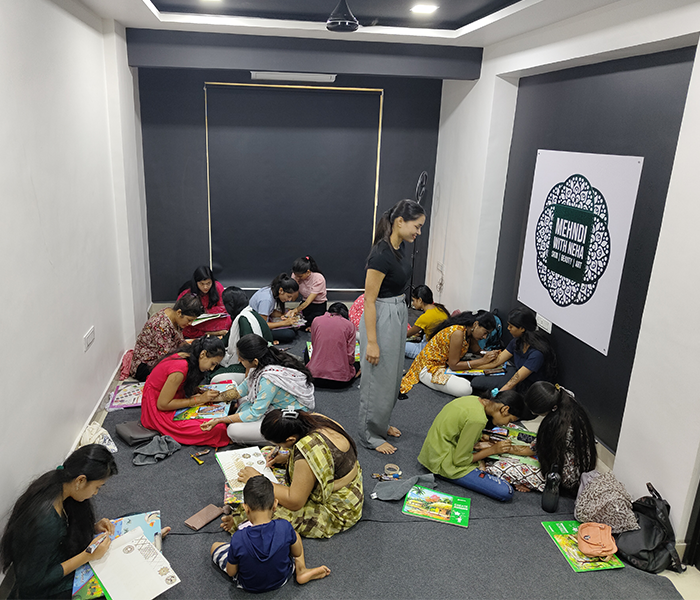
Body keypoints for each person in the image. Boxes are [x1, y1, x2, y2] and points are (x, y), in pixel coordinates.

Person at [0, 444, 117, 599]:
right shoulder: (46, 521)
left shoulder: (58, 483)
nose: (95, 493)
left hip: (52, 558)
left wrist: (93, 528)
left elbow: (65, 528)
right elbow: (32, 583)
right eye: (97, 487)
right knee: (109, 586)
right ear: (80, 481)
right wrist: (87, 556)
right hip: (41, 589)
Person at [226, 409, 363, 539]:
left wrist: (257, 478)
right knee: (266, 453)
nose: (280, 448)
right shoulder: (311, 419)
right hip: (348, 484)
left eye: (281, 444)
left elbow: (295, 502)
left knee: (261, 511)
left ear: (291, 439)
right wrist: (287, 455)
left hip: (338, 509)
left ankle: (238, 521)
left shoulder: (308, 450)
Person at [359, 199, 426, 455]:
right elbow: (369, 300)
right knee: (377, 378)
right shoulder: (381, 254)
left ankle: (381, 423)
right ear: (400, 222)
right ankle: (369, 434)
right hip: (382, 315)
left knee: (392, 376)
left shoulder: (400, 247)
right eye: (416, 226)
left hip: (397, 311)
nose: (418, 232)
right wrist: (372, 342)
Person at [210, 476, 330, 592]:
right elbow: (297, 553)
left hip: (248, 585)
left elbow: (231, 572)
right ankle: (301, 569)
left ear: (246, 508)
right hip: (283, 578)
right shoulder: (285, 527)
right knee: (294, 535)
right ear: (275, 504)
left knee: (215, 546)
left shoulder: (238, 538)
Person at [201, 334, 315, 445]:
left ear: (255, 361)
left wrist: (220, 419)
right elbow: (239, 391)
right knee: (244, 400)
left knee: (232, 430)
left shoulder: (268, 379)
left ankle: (285, 439)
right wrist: (208, 398)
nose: (239, 360)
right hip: (272, 406)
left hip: (289, 419)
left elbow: (254, 413)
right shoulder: (259, 366)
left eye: (241, 359)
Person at [417, 390, 529, 502]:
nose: (506, 424)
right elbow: (460, 460)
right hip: (442, 462)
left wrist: (480, 437)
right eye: (509, 420)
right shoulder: (477, 420)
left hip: (431, 452)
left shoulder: (474, 399)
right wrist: (492, 450)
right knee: (506, 491)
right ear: (505, 409)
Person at [140, 336, 230, 447]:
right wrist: (198, 400)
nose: (212, 369)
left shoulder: (189, 357)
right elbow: (162, 405)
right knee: (216, 428)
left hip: (172, 398)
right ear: (203, 354)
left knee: (216, 419)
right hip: (157, 408)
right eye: (212, 364)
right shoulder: (180, 368)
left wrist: (197, 392)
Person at [400, 310, 499, 398]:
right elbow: (454, 365)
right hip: (429, 367)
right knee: (466, 389)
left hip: (445, 364)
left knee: (473, 366)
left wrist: (488, 354)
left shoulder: (469, 332)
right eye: (485, 332)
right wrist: (483, 361)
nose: (485, 337)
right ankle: (424, 378)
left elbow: (477, 351)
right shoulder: (458, 332)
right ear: (476, 324)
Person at [524, 382, 597, 496]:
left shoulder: (557, 425)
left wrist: (511, 450)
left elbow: (535, 449)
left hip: (567, 479)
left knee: (503, 468)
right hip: (583, 468)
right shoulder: (566, 400)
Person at [471, 306, 557, 394]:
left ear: (522, 329)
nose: (508, 328)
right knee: (476, 381)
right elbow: (497, 361)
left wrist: (498, 394)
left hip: (531, 387)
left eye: (511, 326)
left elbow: (515, 380)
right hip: (517, 375)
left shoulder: (537, 354)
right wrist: (470, 368)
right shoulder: (516, 341)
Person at [129, 294, 204, 382]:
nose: (190, 323)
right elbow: (165, 359)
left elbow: (179, 341)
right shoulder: (161, 325)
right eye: (189, 320)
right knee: (183, 373)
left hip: (163, 358)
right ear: (179, 313)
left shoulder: (173, 315)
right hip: (146, 366)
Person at [210, 286, 274, 384]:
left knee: (214, 377)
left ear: (230, 305)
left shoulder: (243, 319)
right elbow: (225, 340)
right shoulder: (250, 312)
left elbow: (249, 352)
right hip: (261, 360)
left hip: (253, 365)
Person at [306, 303, 359, 389]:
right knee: (358, 363)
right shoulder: (350, 326)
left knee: (307, 349)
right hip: (340, 381)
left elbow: (314, 344)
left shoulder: (316, 320)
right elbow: (350, 356)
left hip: (314, 378)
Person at [176, 265, 232, 338]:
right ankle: (213, 333)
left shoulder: (217, 286)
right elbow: (179, 311)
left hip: (211, 319)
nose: (205, 287)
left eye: (208, 283)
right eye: (201, 284)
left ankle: (207, 333)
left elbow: (224, 307)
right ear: (196, 282)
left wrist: (207, 311)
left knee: (228, 320)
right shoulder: (187, 291)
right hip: (195, 321)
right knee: (186, 327)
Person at [249, 274, 300, 344]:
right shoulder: (266, 300)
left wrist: (284, 315)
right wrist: (285, 323)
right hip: (255, 329)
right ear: (281, 290)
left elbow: (269, 311)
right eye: (289, 296)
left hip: (261, 321)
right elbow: (262, 325)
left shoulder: (270, 291)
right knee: (290, 334)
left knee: (292, 328)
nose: (289, 300)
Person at [405, 285, 449, 358]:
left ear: (420, 300)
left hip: (430, 350)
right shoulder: (440, 309)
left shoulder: (425, 317)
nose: (413, 303)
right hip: (442, 346)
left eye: (414, 300)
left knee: (400, 346)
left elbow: (407, 335)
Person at [291, 255, 328, 329]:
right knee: (296, 323)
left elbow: (308, 301)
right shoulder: (295, 276)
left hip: (318, 305)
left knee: (314, 324)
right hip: (305, 303)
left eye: (300, 276)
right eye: (296, 275)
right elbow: (294, 298)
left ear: (308, 272)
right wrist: (296, 283)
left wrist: (295, 310)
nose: (297, 277)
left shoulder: (318, 278)